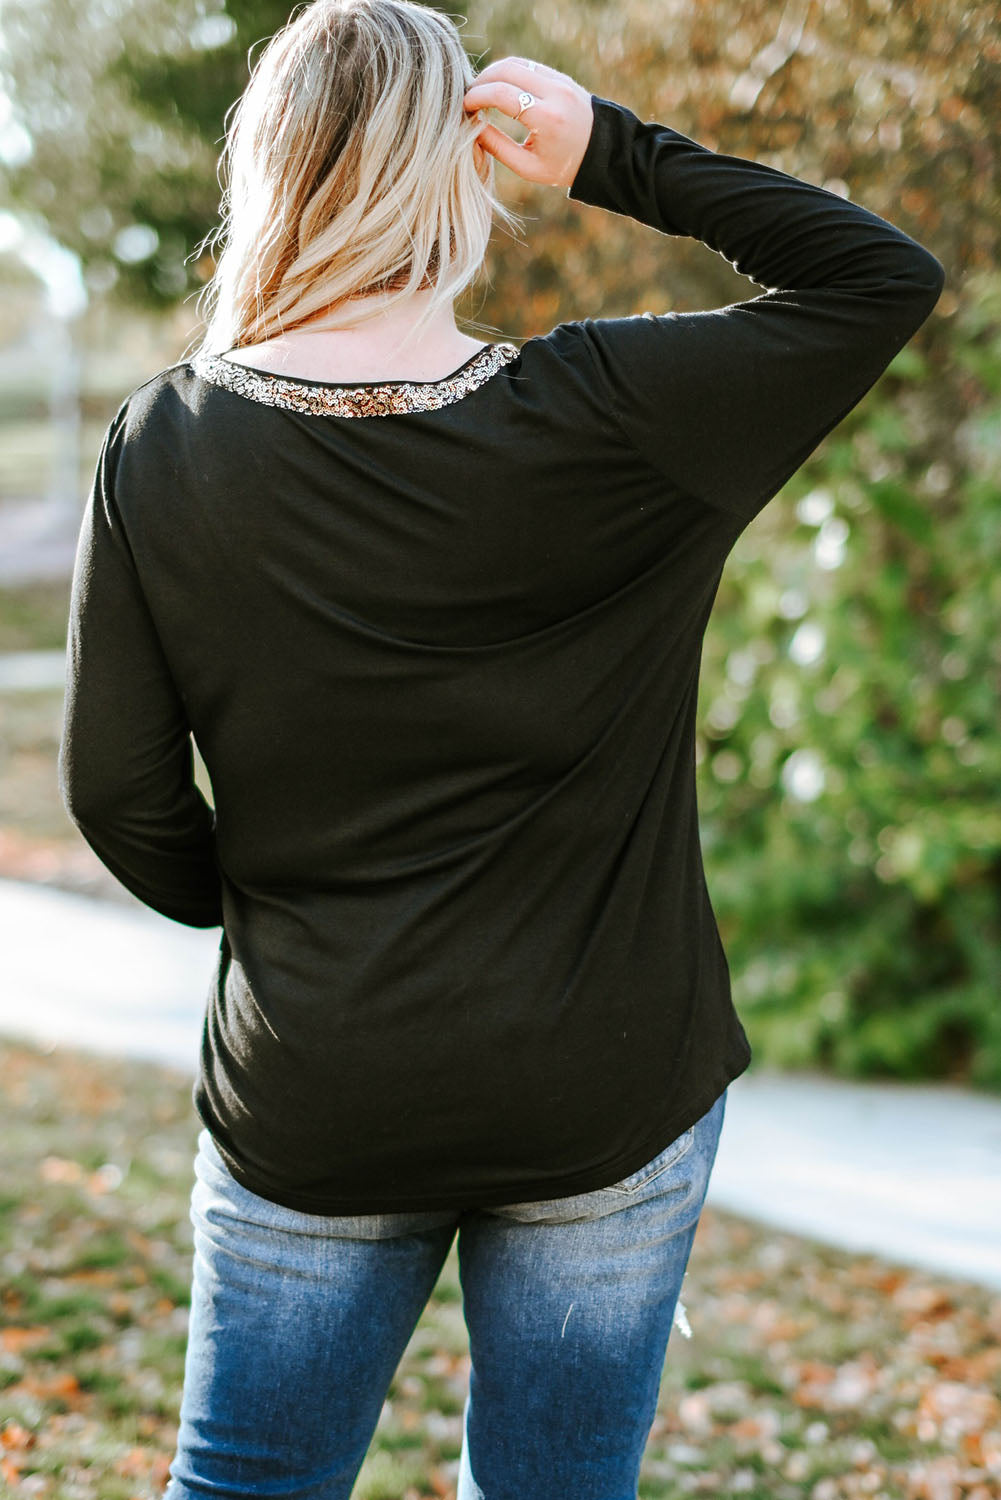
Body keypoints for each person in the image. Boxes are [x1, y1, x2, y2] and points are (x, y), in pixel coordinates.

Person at [57, 0, 944, 1495]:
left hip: (320, 1080)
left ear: (266, 171)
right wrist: (614, 153)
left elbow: (116, 793)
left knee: (244, 1483)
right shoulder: (617, 415)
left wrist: (274, 912)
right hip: (601, 1084)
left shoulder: (170, 446)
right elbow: (876, 277)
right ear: (460, 168)